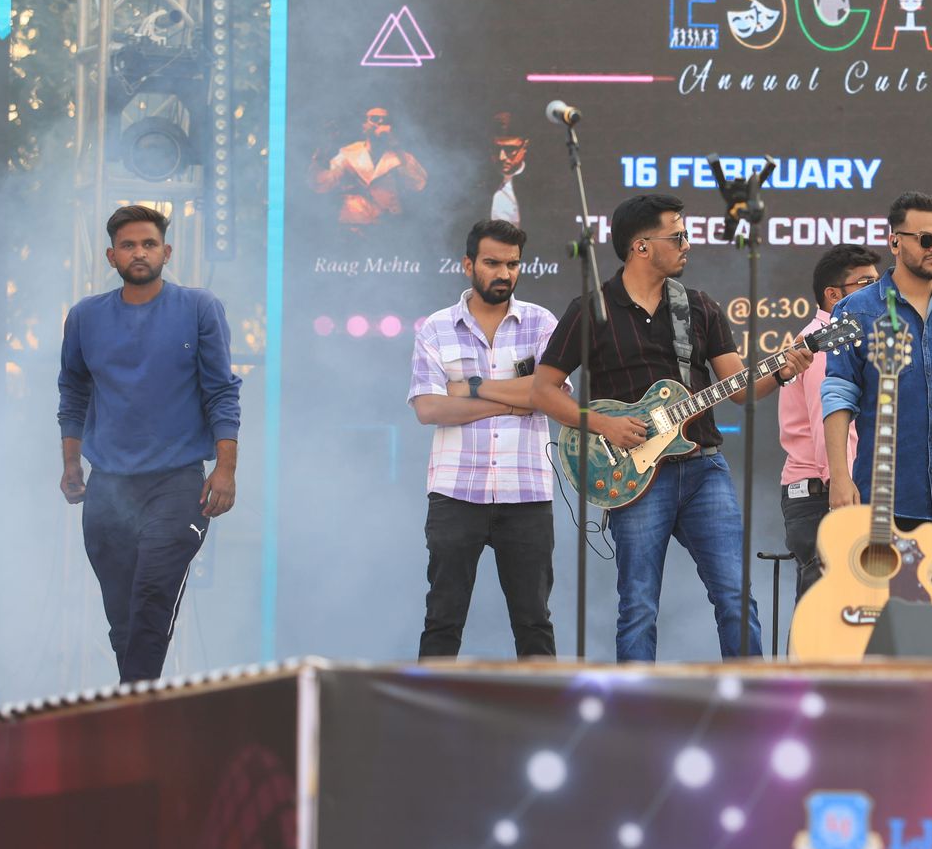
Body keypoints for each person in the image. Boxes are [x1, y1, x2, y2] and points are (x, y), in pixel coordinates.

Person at [530, 194, 813, 661]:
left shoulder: (698, 307)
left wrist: (783, 370)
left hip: (703, 469)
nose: (687, 244)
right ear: (641, 246)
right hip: (634, 477)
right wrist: (606, 425)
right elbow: (543, 390)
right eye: (677, 236)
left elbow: (739, 389)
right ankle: (637, 702)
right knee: (639, 605)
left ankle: (750, 696)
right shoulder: (591, 310)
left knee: (735, 595)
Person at [57, 205, 241, 682]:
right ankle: (139, 705)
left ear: (166, 252)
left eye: (148, 244)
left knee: (152, 598)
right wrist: (71, 463)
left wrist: (225, 469)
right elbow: (73, 393)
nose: (139, 252)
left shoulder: (199, 307)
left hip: (177, 483)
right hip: (108, 485)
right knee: (122, 619)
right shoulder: (85, 317)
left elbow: (221, 391)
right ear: (111, 256)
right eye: (128, 245)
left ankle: (133, 710)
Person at [822, 193, 932, 601]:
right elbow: (838, 393)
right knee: (887, 629)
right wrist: (840, 477)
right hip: (887, 503)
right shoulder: (856, 310)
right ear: (895, 242)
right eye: (925, 239)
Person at [409, 219, 559, 659]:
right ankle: (429, 705)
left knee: (534, 622)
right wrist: (512, 403)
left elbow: (548, 396)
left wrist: (470, 388)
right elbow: (429, 408)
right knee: (443, 619)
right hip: (455, 493)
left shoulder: (541, 323)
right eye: (492, 263)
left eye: (513, 264)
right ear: (468, 265)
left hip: (526, 493)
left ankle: (546, 705)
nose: (504, 274)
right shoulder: (436, 328)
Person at [779, 244, 880, 599]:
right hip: (825, 495)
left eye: (878, 282)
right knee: (824, 610)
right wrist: (841, 484)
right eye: (866, 283)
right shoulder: (821, 343)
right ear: (833, 295)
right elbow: (827, 421)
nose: (876, 292)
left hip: (834, 490)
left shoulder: (846, 339)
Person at [309, 105, 428, 228]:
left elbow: (418, 184)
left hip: (390, 226)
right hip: (354, 226)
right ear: (364, 126)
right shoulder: (348, 153)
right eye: (375, 118)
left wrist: (395, 145)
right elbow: (323, 184)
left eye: (385, 120)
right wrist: (320, 153)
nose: (381, 123)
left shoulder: (400, 156)